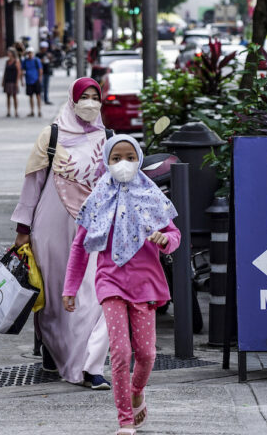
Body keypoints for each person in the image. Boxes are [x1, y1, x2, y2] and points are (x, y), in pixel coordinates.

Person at [63, 135, 181, 434]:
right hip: (111, 281)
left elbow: (174, 234)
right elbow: (79, 247)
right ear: (106, 161)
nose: (123, 164)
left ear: (139, 159)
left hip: (146, 283)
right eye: (116, 158)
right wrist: (70, 288)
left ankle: (137, 390)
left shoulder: (151, 195)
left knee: (147, 354)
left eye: (130, 157)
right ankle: (125, 419)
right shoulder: (97, 199)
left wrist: (164, 240)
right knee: (120, 352)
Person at [11, 77, 111, 389]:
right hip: (51, 228)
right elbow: (32, 185)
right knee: (55, 298)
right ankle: (52, 350)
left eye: (95, 96)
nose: (90, 103)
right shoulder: (51, 135)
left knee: (92, 296)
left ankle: (88, 366)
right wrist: (22, 229)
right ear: (72, 99)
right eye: (85, 96)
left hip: (93, 228)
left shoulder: (107, 138)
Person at [21, 48, 43, 117]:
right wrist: (22, 80)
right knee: (30, 97)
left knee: (38, 96)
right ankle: (32, 111)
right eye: (28, 53)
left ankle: (39, 111)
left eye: (31, 53)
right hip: (28, 81)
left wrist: (40, 78)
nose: (29, 54)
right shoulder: (25, 61)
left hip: (36, 80)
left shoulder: (36, 60)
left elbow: (40, 69)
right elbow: (22, 70)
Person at [2, 48, 21, 118]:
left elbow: (19, 72)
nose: (8, 54)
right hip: (8, 80)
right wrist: (3, 81)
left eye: (9, 52)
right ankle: (8, 111)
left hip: (13, 81)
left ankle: (16, 111)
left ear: (13, 54)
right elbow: (5, 72)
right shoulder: (7, 62)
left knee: (14, 96)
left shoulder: (16, 61)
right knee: (8, 96)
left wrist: (17, 82)